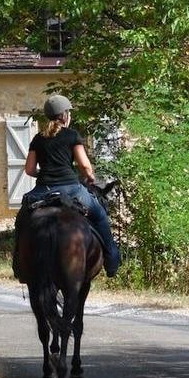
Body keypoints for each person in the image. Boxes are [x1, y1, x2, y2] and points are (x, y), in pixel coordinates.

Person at [22, 94, 121, 277]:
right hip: (71, 189)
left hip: (43, 190)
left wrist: (43, 174)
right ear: (65, 115)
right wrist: (90, 177)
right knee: (99, 215)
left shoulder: (38, 138)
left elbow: (29, 169)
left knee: (23, 218)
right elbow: (84, 165)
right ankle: (112, 260)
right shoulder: (72, 135)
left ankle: (20, 265)